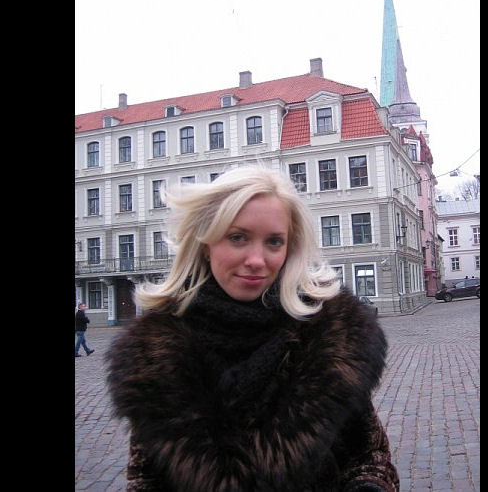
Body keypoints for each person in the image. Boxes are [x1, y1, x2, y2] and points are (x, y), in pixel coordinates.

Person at [106, 165, 400, 491]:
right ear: (205, 243)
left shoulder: (331, 337)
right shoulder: (155, 355)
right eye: (238, 238)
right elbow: (145, 478)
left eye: (274, 242)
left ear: (290, 248)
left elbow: (369, 457)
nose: (257, 260)